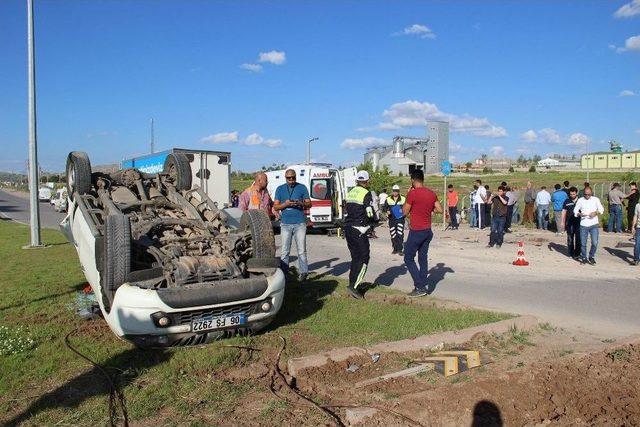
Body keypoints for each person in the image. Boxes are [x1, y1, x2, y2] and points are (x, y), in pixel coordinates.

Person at [402, 169, 442, 297]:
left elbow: (404, 212)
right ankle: (423, 286)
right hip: (427, 231)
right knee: (422, 258)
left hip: (416, 231)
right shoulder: (431, 193)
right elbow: (439, 209)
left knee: (408, 258)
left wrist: (408, 195)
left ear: (413, 180)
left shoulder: (412, 194)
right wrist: (431, 210)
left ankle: (419, 287)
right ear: (423, 179)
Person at [273, 169, 312, 282]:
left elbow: (309, 204)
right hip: (285, 224)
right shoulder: (280, 189)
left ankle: (304, 273)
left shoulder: (302, 187)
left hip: (300, 223)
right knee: (285, 251)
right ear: (285, 178)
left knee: (301, 250)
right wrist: (285, 204)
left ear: (295, 177)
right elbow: (275, 207)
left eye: (293, 178)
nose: (291, 180)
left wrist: (300, 203)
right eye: (288, 178)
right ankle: (284, 274)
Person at [344, 171, 377, 299]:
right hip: (360, 228)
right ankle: (354, 287)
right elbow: (369, 212)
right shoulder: (366, 193)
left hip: (348, 228)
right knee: (364, 258)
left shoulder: (350, 192)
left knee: (355, 258)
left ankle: (352, 283)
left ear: (357, 181)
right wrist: (374, 220)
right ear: (367, 181)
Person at [574, 186, 604, 265]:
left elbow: (601, 209)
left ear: (591, 193)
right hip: (583, 224)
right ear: (583, 193)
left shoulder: (596, 200)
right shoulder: (580, 200)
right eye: (585, 194)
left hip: (594, 224)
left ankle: (591, 256)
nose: (587, 196)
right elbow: (575, 210)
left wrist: (595, 213)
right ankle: (584, 257)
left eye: (589, 194)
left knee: (595, 242)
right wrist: (579, 214)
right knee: (583, 243)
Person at [384, 184, 406, 254]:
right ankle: (395, 249)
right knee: (393, 234)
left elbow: (407, 208)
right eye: (394, 191)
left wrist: (403, 212)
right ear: (392, 191)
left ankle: (400, 250)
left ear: (399, 191)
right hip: (391, 219)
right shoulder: (388, 199)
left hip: (400, 219)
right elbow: (384, 208)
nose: (395, 192)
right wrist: (387, 211)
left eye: (396, 191)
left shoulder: (403, 198)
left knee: (400, 234)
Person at [561, 187, 581, 259]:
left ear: (577, 193)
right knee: (570, 238)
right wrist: (562, 222)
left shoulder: (580, 200)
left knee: (579, 239)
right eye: (571, 194)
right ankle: (571, 253)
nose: (572, 195)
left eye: (574, 194)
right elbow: (564, 211)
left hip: (579, 223)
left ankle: (577, 253)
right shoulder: (567, 201)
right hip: (570, 223)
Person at [632, 201, 640, 265]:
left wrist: (633, 226)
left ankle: (636, 260)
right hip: (638, 227)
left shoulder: (638, 205)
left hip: (638, 227)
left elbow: (635, 216)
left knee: (637, 243)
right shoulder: (637, 205)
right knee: (637, 244)